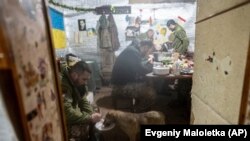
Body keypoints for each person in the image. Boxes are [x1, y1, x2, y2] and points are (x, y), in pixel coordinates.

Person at [60, 57, 102, 141]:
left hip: (72, 111)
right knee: (84, 128)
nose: (86, 82)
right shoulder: (63, 85)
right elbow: (67, 113)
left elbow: (83, 100)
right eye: (84, 79)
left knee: (95, 110)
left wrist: (91, 115)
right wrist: (89, 118)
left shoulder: (77, 82)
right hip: (63, 120)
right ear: (75, 75)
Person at [111, 39, 156, 113]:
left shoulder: (133, 49)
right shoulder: (133, 52)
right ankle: (137, 113)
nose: (148, 53)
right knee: (151, 94)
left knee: (147, 82)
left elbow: (138, 65)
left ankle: (137, 106)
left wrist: (148, 62)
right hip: (121, 86)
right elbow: (141, 70)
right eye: (149, 51)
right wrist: (152, 65)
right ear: (145, 47)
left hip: (122, 82)